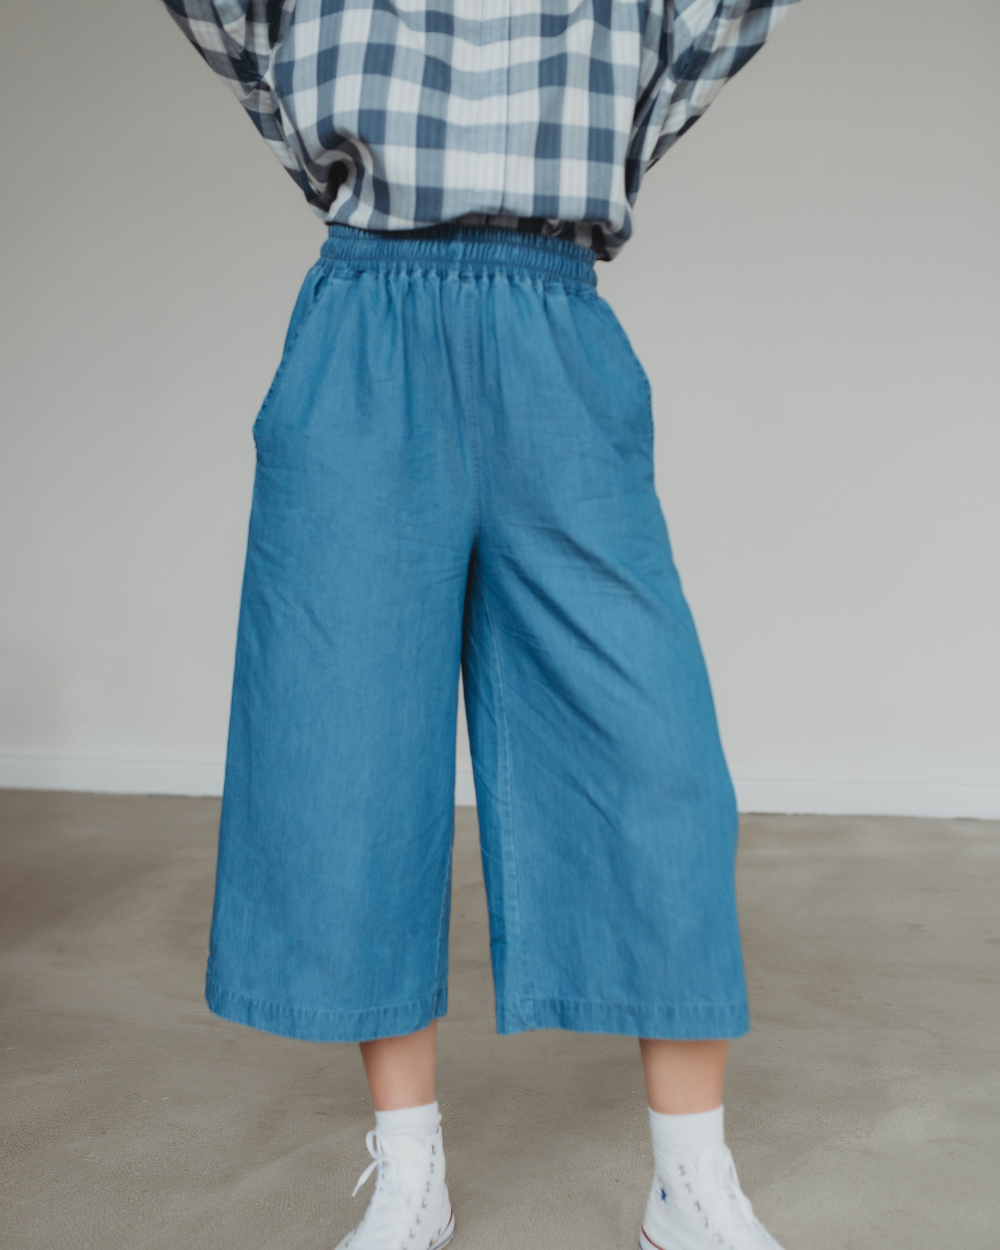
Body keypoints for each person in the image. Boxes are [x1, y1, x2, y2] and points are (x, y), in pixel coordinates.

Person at [162, 1, 801, 1247]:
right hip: (364, 315)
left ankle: (690, 1180)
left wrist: (610, 141)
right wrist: (310, 120)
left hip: (554, 317)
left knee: (656, 756)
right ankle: (409, 1172)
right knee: (345, 754)